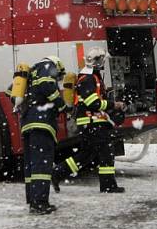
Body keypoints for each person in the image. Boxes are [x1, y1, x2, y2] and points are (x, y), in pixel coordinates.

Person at [51, 47, 126, 193]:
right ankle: (108, 186)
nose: (104, 62)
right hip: (92, 123)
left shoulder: (92, 76)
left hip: (92, 123)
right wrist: (113, 105)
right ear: (97, 61)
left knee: (87, 155)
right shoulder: (88, 78)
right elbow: (93, 103)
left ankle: (58, 172)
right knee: (105, 152)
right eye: (103, 60)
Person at [13, 56, 68, 215]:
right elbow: (47, 85)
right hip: (42, 124)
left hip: (28, 124)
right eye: (59, 75)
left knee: (31, 165)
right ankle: (40, 203)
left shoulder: (29, 73)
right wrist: (62, 106)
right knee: (42, 165)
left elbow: (11, 92)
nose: (58, 79)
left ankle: (32, 199)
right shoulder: (47, 66)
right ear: (57, 64)